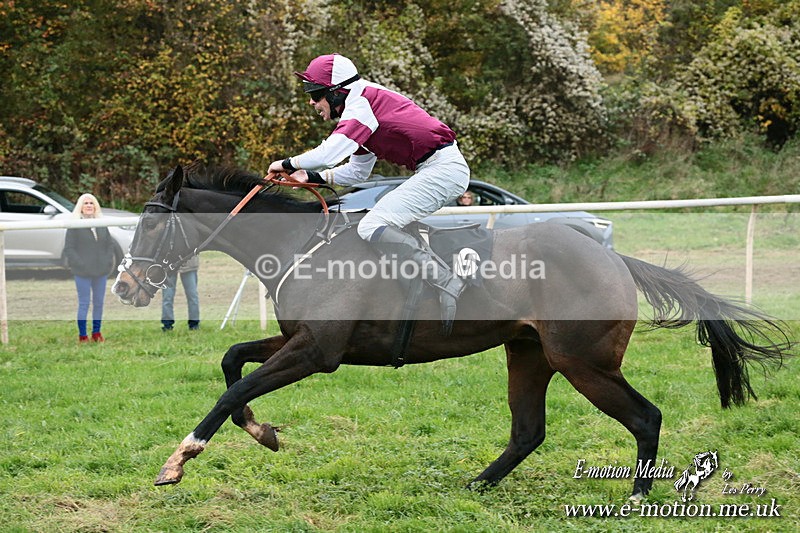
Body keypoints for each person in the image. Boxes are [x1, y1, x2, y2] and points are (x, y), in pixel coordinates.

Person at [268, 53, 471, 334]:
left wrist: (286, 163)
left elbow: (329, 154)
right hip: (435, 168)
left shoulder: (360, 105)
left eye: (315, 94)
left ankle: (445, 280)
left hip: (443, 169)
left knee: (373, 224)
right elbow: (356, 173)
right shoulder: (364, 106)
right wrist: (310, 176)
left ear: (336, 92)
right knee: (375, 223)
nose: (311, 102)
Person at [64, 193, 115, 342]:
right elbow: (69, 249)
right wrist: (81, 264)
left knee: (99, 303)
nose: (88, 206)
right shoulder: (74, 225)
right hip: (82, 272)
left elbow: (109, 245)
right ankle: (83, 336)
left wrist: (107, 262)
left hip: (101, 271)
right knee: (84, 303)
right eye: (85, 203)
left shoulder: (101, 224)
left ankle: (97, 333)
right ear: (80, 207)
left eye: (91, 203)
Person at [161, 255, 200, 331]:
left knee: (192, 296)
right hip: (170, 265)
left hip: (189, 263)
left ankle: (194, 325)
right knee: (167, 297)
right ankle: (167, 326)